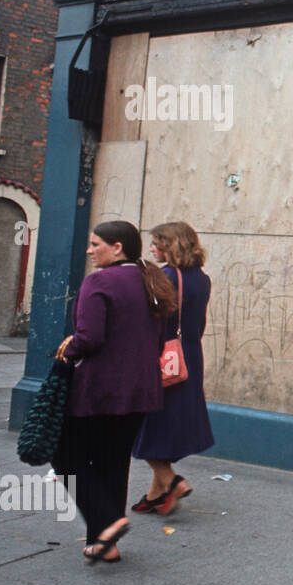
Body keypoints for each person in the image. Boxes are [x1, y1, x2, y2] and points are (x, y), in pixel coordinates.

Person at [53, 220, 176, 563]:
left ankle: (107, 523)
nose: (90, 251)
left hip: (99, 390)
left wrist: (68, 347)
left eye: (96, 244)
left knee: (65, 457)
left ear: (117, 247)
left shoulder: (100, 281)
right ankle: (105, 542)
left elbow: (90, 338)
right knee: (112, 460)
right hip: (141, 390)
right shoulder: (151, 280)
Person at [131, 221, 216, 515]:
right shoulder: (202, 279)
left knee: (144, 424)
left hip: (163, 357)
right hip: (189, 354)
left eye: (156, 243)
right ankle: (156, 496)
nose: (152, 249)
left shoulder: (166, 276)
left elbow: (148, 320)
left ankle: (173, 481)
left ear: (171, 245)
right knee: (166, 424)